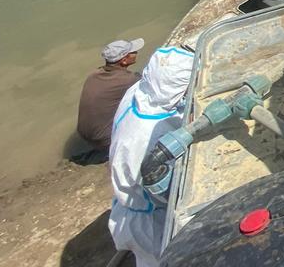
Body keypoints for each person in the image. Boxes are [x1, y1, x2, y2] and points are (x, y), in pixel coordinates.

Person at [107, 46, 195, 267]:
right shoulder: (150, 134)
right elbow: (165, 191)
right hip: (150, 219)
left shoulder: (137, 93)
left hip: (129, 204)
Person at [76, 38, 144, 155]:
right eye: (132, 53)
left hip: (83, 134)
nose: (136, 53)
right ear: (124, 61)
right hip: (104, 140)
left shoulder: (93, 74)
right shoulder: (128, 79)